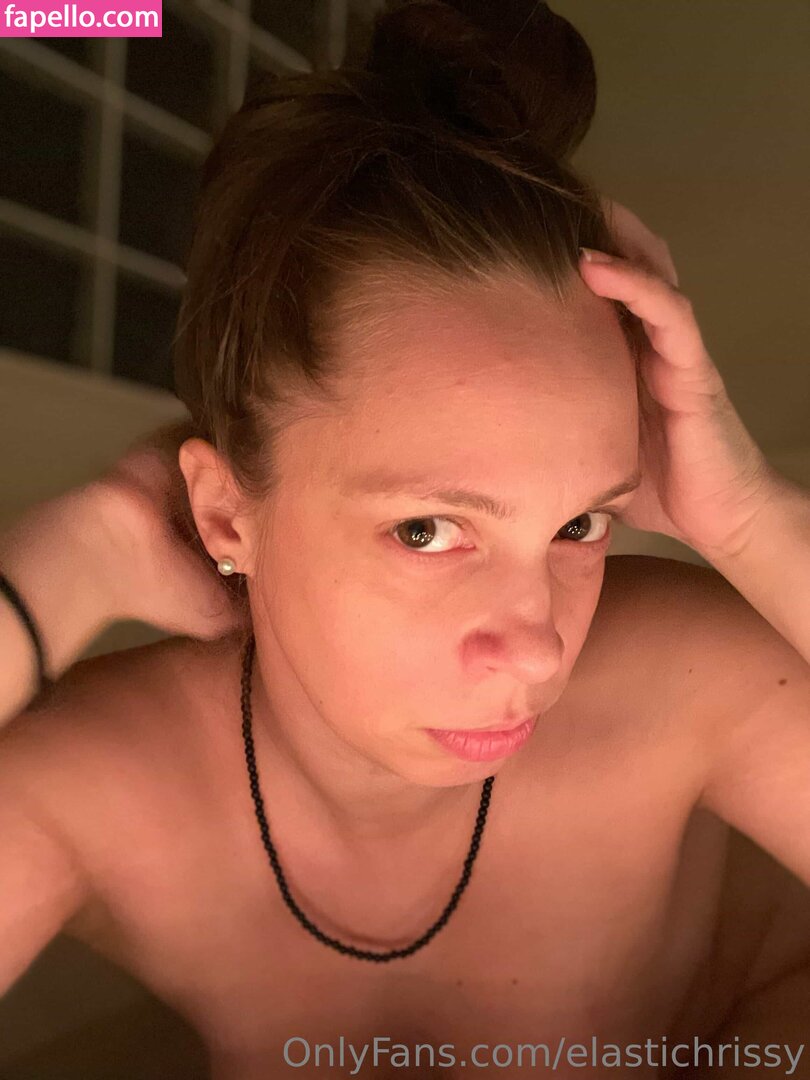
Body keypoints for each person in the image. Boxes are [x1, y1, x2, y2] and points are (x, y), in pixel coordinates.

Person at [1, 1, 809, 1077]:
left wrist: (750, 518)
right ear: (227, 514)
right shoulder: (106, 786)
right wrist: (73, 559)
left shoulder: (683, 681)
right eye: (428, 529)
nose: (538, 648)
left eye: (578, 523)